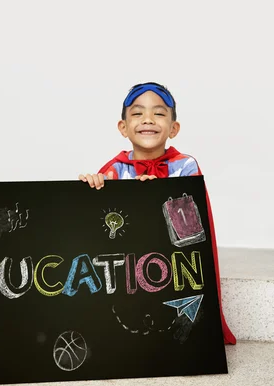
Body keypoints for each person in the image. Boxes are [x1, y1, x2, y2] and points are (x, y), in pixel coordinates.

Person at [79, 82, 236, 345]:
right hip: (132, 269)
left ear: (173, 128)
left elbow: (195, 225)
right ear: (123, 127)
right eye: (137, 113)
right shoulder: (115, 170)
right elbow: (100, 227)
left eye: (159, 113)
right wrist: (93, 187)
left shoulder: (185, 166)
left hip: (171, 264)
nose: (148, 120)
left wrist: (161, 194)